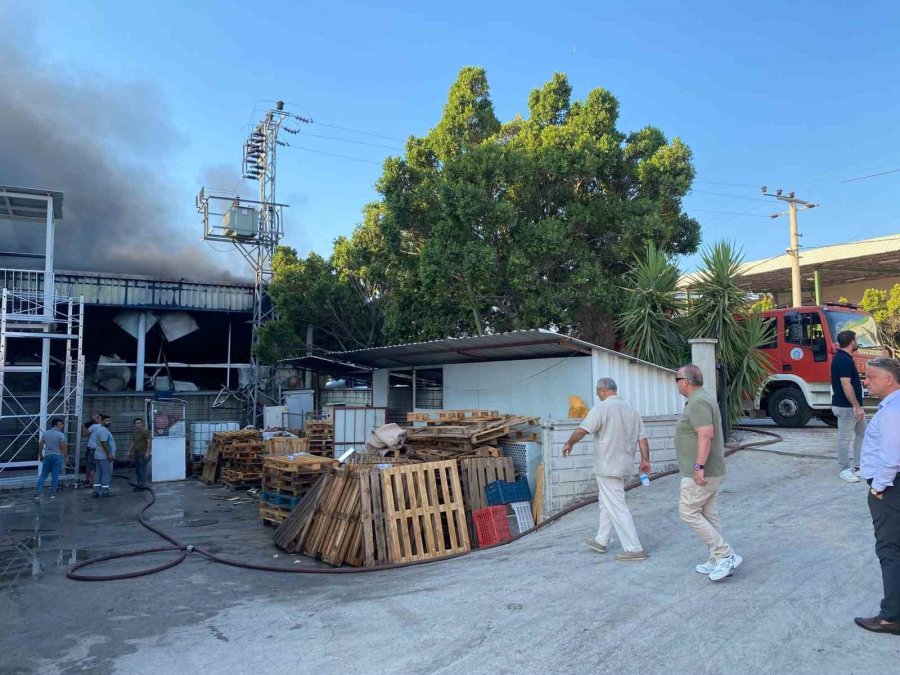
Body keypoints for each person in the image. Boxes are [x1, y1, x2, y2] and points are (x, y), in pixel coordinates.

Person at [562, 377, 652, 562]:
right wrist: (645, 461)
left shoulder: (602, 408)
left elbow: (582, 430)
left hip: (608, 466)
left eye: (597, 392)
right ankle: (601, 540)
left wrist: (569, 443)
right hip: (624, 465)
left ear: (603, 390)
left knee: (617, 506)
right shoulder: (631, 409)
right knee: (606, 502)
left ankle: (634, 548)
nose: (598, 395)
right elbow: (642, 439)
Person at [674, 364, 742, 582]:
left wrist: (698, 467)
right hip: (711, 470)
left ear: (685, 381)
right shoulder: (703, 398)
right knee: (708, 513)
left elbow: (705, 435)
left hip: (703, 472)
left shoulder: (698, 402)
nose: (676, 383)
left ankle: (724, 554)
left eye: (677, 379)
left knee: (688, 512)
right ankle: (716, 558)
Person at [854, 357, 900, 635]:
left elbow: (892, 458)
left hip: (891, 489)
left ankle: (891, 616)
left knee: (889, 550)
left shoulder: (893, 410)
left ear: (890, 379)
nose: (866, 382)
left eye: (871, 377)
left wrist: (878, 487)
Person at [831, 330, 867, 482]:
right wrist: (856, 406)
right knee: (844, 439)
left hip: (852, 407)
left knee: (863, 434)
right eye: (856, 339)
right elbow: (846, 384)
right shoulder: (843, 360)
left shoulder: (845, 358)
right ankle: (845, 469)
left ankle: (858, 467)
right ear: (852, 342)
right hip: (847, 407)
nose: (857, 342)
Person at [34, 418, 68, 502]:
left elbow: (41, 444)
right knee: (55, 476)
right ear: (55, 425)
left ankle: (37, 494)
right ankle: (52, 494)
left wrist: (40, 454)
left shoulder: (46, 434)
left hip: (48, 456)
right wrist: (66, 456)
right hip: (57, 456)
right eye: (60, 424)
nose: (62, 426)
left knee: (43, 475)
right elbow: (63, 446)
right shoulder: (61, 435)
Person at [93, 415, 116, 498]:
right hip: (104, 456)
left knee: (98, 474)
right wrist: (109, 454)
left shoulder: (102, 430)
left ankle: (96, 491)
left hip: (99, 456)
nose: (109, 422)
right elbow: (104, 443)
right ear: (102, 421)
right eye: (106, 421)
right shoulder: (103, 431)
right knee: (106, 474)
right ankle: (105, 492)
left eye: (110, 421)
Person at [127, 417, 152, 492]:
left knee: (142, 470)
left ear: (142, 423)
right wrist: (129, 451)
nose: (138, 424)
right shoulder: (134, 432)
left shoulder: (145, 431)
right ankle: (139, 484)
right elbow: (133, 442)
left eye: (140, 423)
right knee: (137, 470)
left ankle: (141, 485)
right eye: (137, 423)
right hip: (136, 454)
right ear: (134, 424)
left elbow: (149, 442)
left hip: (143, 454)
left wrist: (147, 452)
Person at [82, 413, 102, 487]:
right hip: (99, 448)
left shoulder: (94, 426)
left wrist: (83, 427)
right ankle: (92, 481)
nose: (92, 417)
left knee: (90, 466)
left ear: (98, 418)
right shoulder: (103, 427)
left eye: (94, 416)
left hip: (92, 448)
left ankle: (92, 482)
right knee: (94, 465)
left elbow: (85, 434)